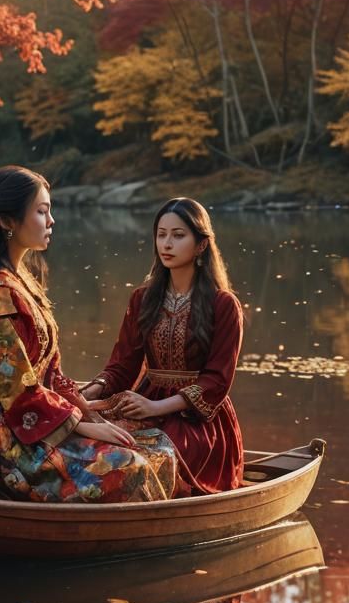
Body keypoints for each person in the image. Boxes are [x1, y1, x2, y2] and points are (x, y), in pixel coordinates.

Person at [0, 165, 177, 502]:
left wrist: (90, 410)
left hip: (34, 416)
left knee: (155, 443)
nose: (51, 221)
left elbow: (51, 373)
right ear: (7, 221)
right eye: (41, 211)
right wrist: (84, 425)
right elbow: (19, 392)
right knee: (126, 464)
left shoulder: (21, 281)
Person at [81, 198, 244, 495]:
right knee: (91, 442)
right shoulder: (143, 299)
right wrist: (89, 391)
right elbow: (122, 365)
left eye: (178, 235)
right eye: (161, 234)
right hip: (146, 403)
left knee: (139, 461)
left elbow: (217, 381)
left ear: (201, 245)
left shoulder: (223, 305)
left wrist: (157, 407)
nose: (166, 244)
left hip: (196, 422)